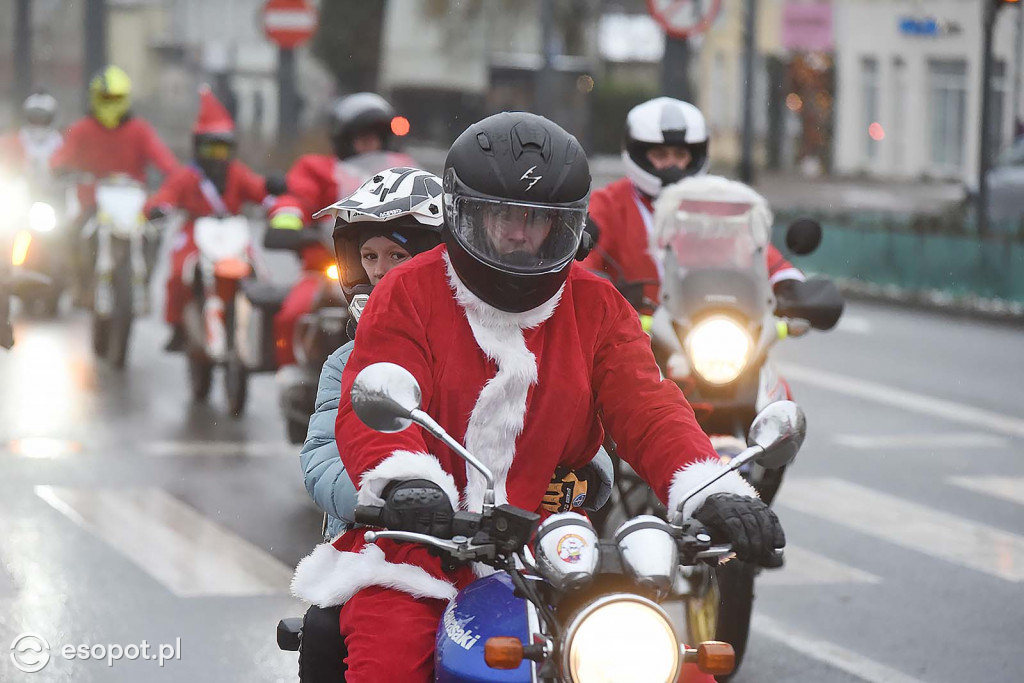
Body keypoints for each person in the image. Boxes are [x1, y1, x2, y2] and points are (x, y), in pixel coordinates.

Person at [290, 112, 784, 681]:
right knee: (390, 663)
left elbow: (649, 406)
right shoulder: (407, 291)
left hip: (552, 548)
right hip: (417, 547)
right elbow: (376, 399)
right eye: (502, 215)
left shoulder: (596, 305)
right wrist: (407, 481)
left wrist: (713, 491)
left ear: (568, 225)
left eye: (539, 219)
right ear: (464, 215)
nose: (520, 232)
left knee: (661, 664)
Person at [583, 97, 804, 315]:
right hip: (633, 331)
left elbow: (752, 247)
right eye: (660, 154)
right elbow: (582, 262)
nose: (672, 164)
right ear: (639, 154)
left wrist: (789, 284)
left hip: (713, 324)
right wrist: (600, 287)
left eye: (681, 155)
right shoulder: (608, 204)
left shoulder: (715, 201)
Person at [268, 92, 418, 367]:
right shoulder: (317, 169)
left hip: (394, 270)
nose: (368, 144)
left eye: (374, 136)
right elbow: (295, 199)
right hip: (327, 268)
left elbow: (429, 203)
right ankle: (292, 374)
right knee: (292, 313)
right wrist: (287, 223)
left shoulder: (404, 169)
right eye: (361, 136)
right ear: (344, 138)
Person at [145, 86, 275, 351]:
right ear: (198, 147)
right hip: (196, 231)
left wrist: (276, 194)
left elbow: (260, 192)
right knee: (178, 274)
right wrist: (158, 207)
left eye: (222, 149)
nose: (217, 156)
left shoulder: (237, 173)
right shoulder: (187, 176)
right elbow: (166, 194)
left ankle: (261, 329)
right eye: (210, 148)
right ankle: (178, 325)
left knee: (259, 271)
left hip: (232, 232)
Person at [50, 65, 181, 304]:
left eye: (115, 98)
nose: (110, 103)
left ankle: (144, 281)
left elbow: (166, 162)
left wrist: (173, 179)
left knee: (155, 233)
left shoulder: (139, 130)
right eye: (105, 98)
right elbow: (61, 155)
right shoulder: (82, 129)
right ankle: (80, 284)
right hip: (93, 203)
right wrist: (60, 168)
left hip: (133, 205)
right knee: (70, 233)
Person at [0, 92, 63, 187]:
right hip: (20, 191)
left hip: (53, 190)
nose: (38, 123)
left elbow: (69, 163)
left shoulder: (59, 140)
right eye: (35, 118)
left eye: (43, 118)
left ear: (51, 118)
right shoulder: (17, 139)